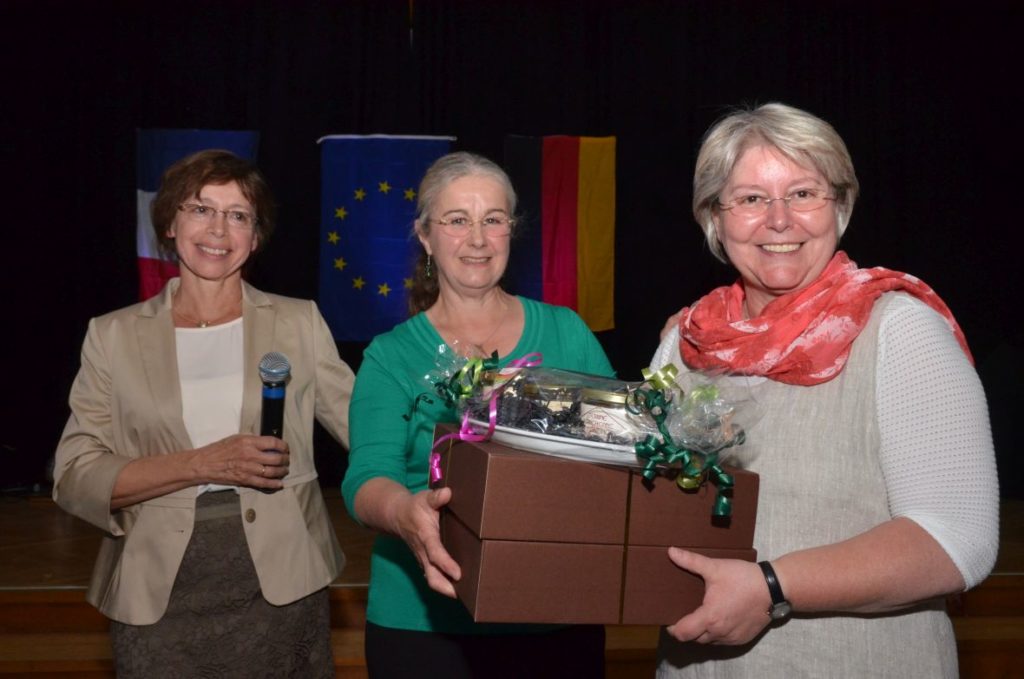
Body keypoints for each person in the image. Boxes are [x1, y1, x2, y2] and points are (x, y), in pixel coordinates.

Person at [650, 103, 998, 677]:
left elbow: (957, 539)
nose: (779, 220)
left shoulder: (900, 330)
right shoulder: (688, 343)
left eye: (804, 193)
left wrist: (770, 586)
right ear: (715, 218)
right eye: (751, 198)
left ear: (840, 206)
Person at [53, 149, 355, 678]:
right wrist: (203, 464)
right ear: (170, 223)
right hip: (158, 591)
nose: (219, 228)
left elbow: (368, 427)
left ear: (255, 236)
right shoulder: (113, 334)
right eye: (200, 209)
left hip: (281, 584)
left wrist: (460, 438)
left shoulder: (298, 322)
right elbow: (75, 475)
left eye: (238, 214)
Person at [341, 151, 615, 678]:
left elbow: (620, 452)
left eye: (493, 220)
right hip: (422, 622)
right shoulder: (390, 355)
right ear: (425, 236)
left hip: (556, 612)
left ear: (511, 231)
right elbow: (366, 478)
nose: (478, 239)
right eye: (457, 220)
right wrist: (406, 514)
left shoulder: (567, 333)